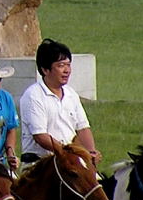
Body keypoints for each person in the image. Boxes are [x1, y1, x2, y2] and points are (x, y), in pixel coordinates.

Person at [19, 38, 101, 166]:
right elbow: (41, 136)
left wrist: (90, 152)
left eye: (68, 65)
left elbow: (83, 128)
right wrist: (67, 153)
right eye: (61, 66)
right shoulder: (33, 96)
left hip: (70, 161)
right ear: (45, 70)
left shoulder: (71, 94)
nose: (67, 70)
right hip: (42, 164)